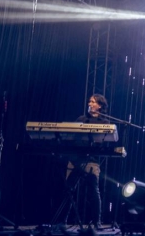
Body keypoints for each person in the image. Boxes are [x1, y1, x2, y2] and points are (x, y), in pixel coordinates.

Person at [65, 94, 108, 229]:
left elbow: (103, 143)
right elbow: (72, 137)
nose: (89, 103)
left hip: (92, 160)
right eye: (89, 101)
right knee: (68, 189)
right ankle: (63, 221)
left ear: (99, 106)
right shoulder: (81, 119)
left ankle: (97, 222)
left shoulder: (105, 123)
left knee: (93, 191)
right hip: (75, 159)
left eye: (93, 102)